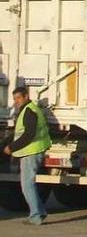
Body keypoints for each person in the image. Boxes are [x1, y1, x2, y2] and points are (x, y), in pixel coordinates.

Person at [2, 86, 51, 225]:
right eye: (14, 99)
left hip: (32, 152)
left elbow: (28, 135)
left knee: (27, 185)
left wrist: (11, 148)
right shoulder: (27, 110)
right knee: (29, 184)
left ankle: (35, 216)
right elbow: (19, 132)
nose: (16, 101)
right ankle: (40, 212)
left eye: (18, 98)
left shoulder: (29, 111)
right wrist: (7, 143)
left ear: (26, 96)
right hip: (31, 151)